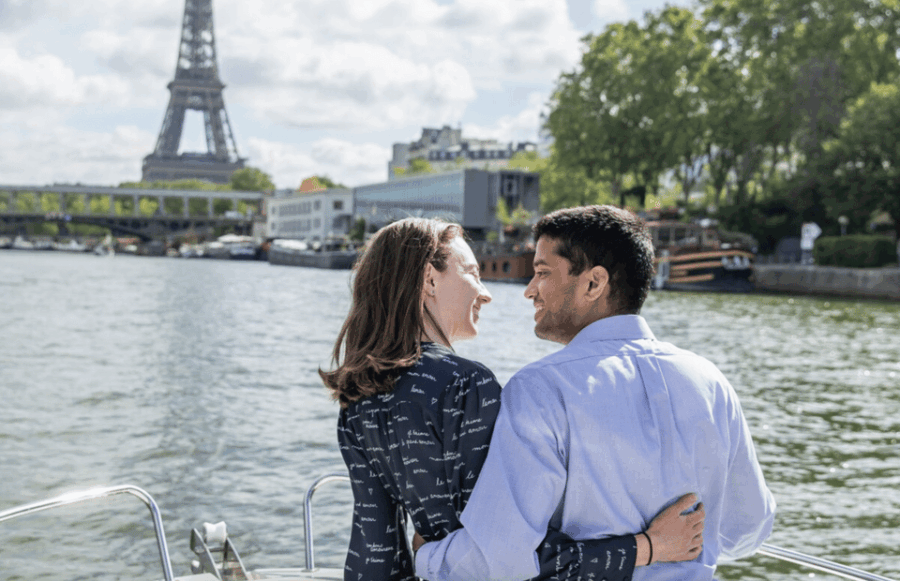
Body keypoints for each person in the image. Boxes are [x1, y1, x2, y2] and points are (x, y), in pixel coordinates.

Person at [321, 217, 705, 581]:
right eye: (471, 273)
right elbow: (511, 555)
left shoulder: (359, 399)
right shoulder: (463, 384)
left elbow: (374, 549)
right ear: (429, 279)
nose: (486, 293)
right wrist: (650, 546)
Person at [415, 206, 776, 581]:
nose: (529, 291)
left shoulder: (541, 389)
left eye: (542, 273)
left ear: (594, 283)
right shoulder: (711, 381)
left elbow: (500, 559)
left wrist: (425, 557)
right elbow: (747, 530)